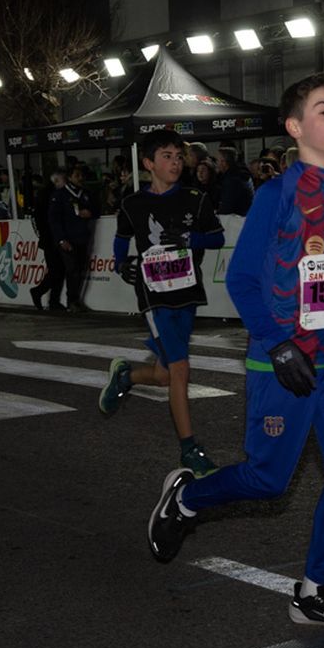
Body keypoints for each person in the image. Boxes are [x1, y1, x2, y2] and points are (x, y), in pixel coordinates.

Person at [146, 71, 324, 628]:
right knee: (268, 480)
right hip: (280, 364)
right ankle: (186, 499)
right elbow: (243, 281)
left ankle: (314, 591)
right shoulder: (277, 195)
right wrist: (278, 344)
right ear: (295, 126)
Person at [100, 129, 226, 476]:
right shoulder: (132, 203)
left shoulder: (195, 198)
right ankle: (190, 449)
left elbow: (217, 238)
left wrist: (190, 237)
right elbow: (121, 238)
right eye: (167, 156)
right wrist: (119, 263)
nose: (175, 162)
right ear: (148, 163)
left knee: (164, 374)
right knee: (181, 370)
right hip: (153, 295)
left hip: (187, 292)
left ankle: (127, 376)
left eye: (178, 156)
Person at [48, 165, 96, 312]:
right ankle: (70, 301)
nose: (80, 178)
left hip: (82, 238)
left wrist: (91, 213)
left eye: (81, 175)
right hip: (68, 239)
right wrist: (61, 239)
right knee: (72, 269)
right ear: (69, 177)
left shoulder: (85, 193)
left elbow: (97, 209)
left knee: (80, 270)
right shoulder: (60, 195)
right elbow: (53, 219)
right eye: (77, 175)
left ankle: (74, 300)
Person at [29, 170, 67, 311]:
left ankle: (52, 300)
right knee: (57, 270)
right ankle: (41, 293)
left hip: (49, 238)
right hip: (51, 239)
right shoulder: (49, 196)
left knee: (58, 270)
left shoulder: (46, 195)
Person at [215, 146, 254, 216]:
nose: (216, 163)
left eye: (217, 160)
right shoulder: (242, 174)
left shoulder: (231, 181)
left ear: (224, 162)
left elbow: (227, 207)